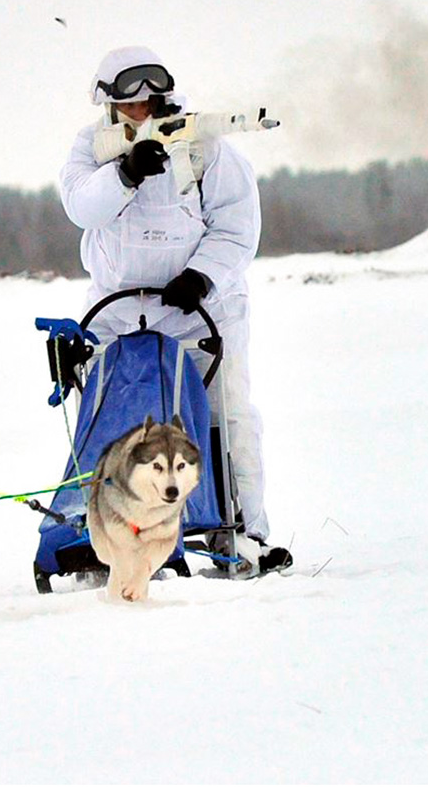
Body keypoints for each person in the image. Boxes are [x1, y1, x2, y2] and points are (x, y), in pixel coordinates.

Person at [58, 45, 291, 577]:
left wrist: (202, 275)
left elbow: (237, 226)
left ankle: (242, 531)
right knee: (115, 426)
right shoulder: (90, 149)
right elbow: (82, 207)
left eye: (150, 100)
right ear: (110, 105)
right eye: (129, 102)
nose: (142, 109)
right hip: (118, 312)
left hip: (200, 309)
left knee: (223, 419)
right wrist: (126, 173)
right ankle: (104, 535)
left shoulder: (206, 145)